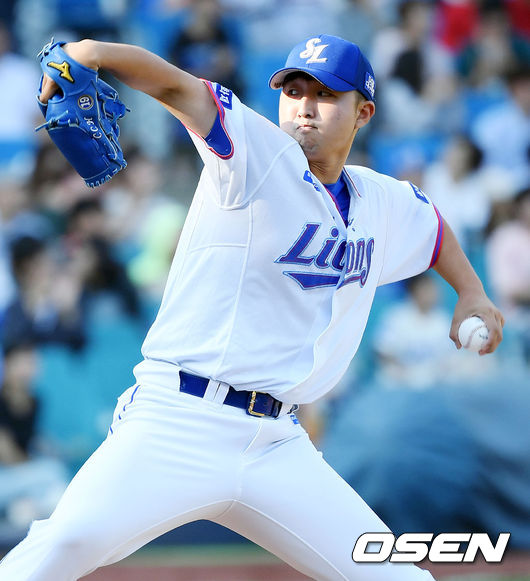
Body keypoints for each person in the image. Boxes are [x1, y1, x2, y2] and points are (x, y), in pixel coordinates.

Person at [0, 34, 504, 581]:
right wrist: (96, 52)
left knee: (397, 576)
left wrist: (472, 291)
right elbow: (177, 88)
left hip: (276, 444)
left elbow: (432, 229)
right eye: (294, 91)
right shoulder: (256, 153)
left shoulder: (382, 201)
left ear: (364, 113)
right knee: (64, 543)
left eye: (326, 95)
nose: (305, 107)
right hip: (179, 420)